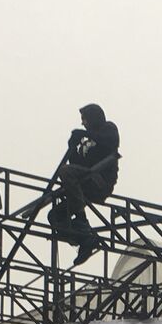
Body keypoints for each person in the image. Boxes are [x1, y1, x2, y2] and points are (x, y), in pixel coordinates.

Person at [48, 103, 119, 266]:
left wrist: (84, 134)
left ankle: (81, 219)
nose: (83, 123)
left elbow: (111, 142)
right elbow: (76, 164)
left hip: (100, 180)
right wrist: (72, 147)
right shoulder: (84, 139)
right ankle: (85, 240)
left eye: (84, 119)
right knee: (55, 216)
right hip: (83, 185)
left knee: (66, 171)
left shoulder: (108, 129)